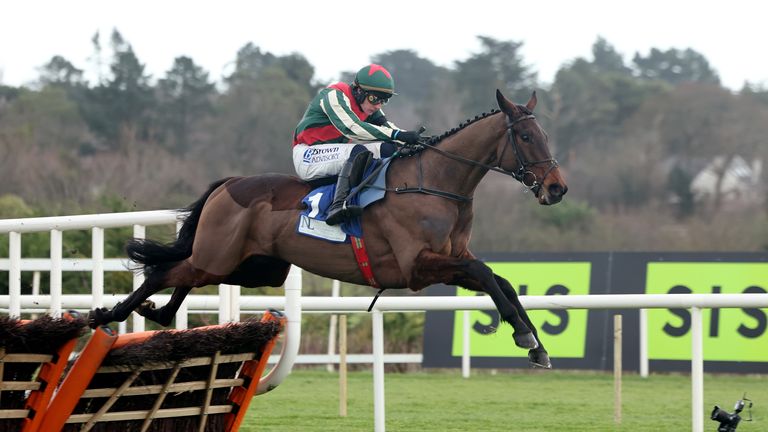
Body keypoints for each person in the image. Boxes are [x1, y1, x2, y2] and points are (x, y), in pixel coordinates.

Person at [292, 64, 425, 225]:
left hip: (332, 155)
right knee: (358, 151)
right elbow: (351, 128)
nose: (378, 105)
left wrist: (418, 140)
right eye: (374, 98)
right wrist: (398, 135)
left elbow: (388, 128)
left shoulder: (369, 107)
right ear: (359, 91)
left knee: (389, 148)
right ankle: (338, 206)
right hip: (307, 156)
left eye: (384, 100)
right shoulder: (334, 95)